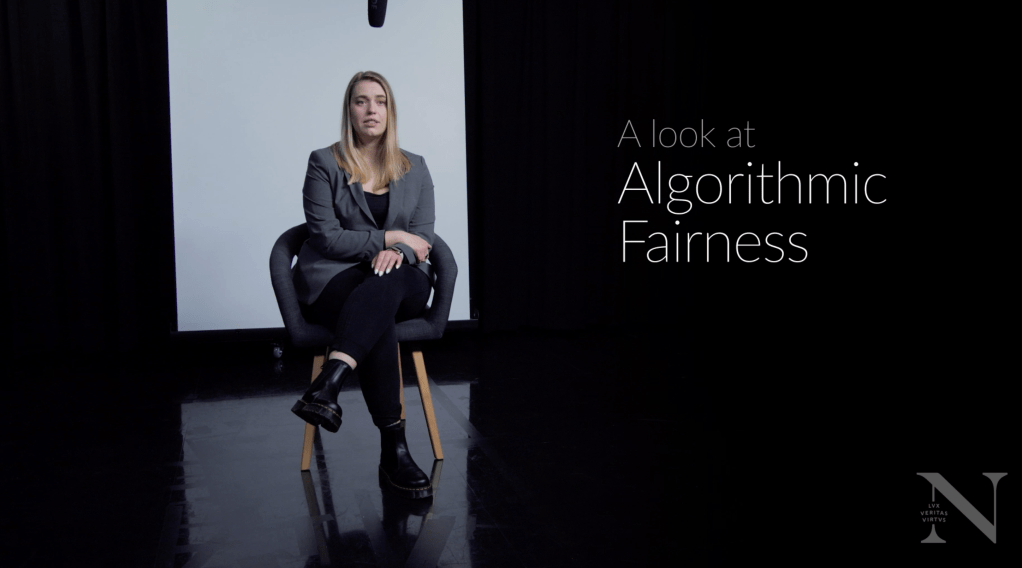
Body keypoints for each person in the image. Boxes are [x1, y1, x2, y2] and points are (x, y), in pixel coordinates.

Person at [290, 71, 436, 499]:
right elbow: (325, 238)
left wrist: (401, 250)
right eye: (361, 101)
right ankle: (395, 451)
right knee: (376, 314)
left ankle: (330, 382)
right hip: (335, 278)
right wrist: (389, 238)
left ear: (390, 111)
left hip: (402, 277)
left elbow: (423, 238)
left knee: (383, 288)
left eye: (380, 101)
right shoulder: (324, 162)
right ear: (349, 110)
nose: (372, 109)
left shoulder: (415, 166)